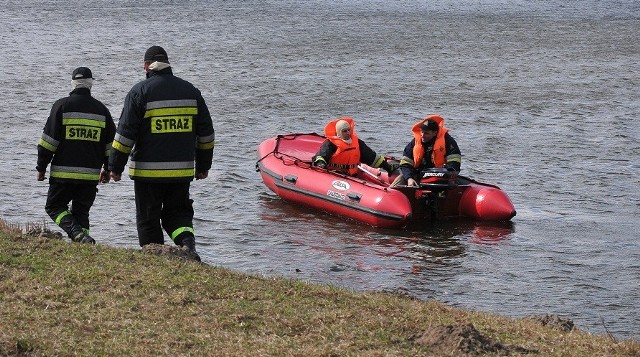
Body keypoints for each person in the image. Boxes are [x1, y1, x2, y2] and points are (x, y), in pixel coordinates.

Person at [108, 45, 215, 261]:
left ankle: (155, 261)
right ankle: (188, 248)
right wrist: (203, 166)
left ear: (146, 66)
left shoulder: (139, 92)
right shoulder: (191, 91)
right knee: (178, 215)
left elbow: (125, 136)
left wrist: (115, 167)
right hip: (181, 172)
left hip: (148, 174)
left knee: (148, 220)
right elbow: (206, 134)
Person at [36, 67, 116, 244]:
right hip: (89, 176)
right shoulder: (102, 110)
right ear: (91, 84)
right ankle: (83, 244)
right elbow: (111, 147)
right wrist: (109, 168)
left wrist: (41, 167)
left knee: (54, 206)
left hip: (63, 175)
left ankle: (78, 236)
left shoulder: (61, 106)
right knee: (81, 211)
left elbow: (48, 142)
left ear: (73, 83)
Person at [391, 114, 462, 187]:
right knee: (402, 178)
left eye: (426, 133)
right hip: (418, 175)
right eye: (422, 132)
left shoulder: (448, 141)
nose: (422, 135)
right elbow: (405, 163)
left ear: (435, 133)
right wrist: (409, 178)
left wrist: (447, 174)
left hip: (441, 177)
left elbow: (454, 163)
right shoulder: (415, 143)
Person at [312, 117, 393, 176]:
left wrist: (387, 167)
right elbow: (321, 156)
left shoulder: (357, 142)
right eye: (344, 131)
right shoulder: (331, 143)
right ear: (338, 133)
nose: (347, 133)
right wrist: (320, 164)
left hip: (352, 175)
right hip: (335, 175)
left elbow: (371, 157)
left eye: (348, 130)